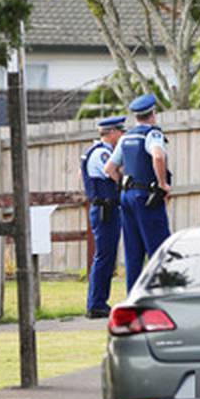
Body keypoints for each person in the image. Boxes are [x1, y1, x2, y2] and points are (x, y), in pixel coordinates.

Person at [105, 93, 172, 290]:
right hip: (147, 197)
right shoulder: (152, 134)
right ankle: (161, 295)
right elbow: (158, 157)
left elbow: (109, 168)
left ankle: (133, 298)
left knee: (133, 252)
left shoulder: (126, 137)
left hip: (127, 196)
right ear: (153, 113)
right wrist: (162, 184)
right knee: (158, 248)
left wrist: (125, 185)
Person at [81, 115, 126, 318]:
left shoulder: (98, 151)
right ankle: (96, 303)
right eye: (120, 131)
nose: (122, 135)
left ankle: (99, 301)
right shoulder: (102, 154)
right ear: (112, 133)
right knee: (104, 256)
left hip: (104, 209)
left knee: (106, 256)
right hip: (105, 210)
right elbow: (112, 174)